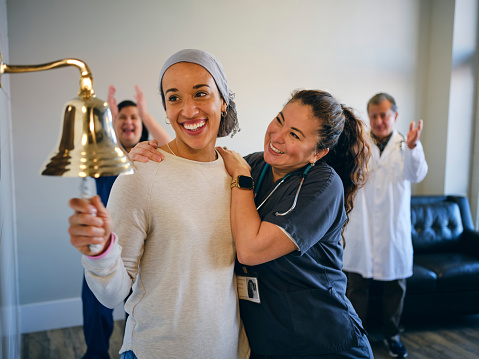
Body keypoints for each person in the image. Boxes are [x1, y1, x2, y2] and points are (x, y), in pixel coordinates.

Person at [132, 89, 374, 358]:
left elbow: (250, 250)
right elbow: (193, 167)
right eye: (280, 120)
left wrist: (241, 178)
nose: (277, 136)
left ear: (317, 152)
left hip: (322, 342)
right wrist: (153, 157)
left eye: (294, 134)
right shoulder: (253, 164)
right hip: (267, 343)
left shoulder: (323, 185)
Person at [68, 49, 249, 359]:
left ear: (223, 100)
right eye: (174, 98)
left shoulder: (239, 172)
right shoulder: (141, 172)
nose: (189, 110)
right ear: (165, 109)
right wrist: (99, 252)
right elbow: (113, 294)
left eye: (201, 93)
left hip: (230, 350)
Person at [81, 85, 171, 359]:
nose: (129, 121)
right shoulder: (105, 158)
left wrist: (145, 113)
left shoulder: (152, 156)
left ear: (141, 125)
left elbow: (171, 146)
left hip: (143, 249)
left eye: (134, 117)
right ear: (113, 124)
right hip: (106, 248)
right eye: (122, 117)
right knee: (97, 303)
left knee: (137, 310)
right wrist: (106, 116)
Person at [342, 93, 428, 358]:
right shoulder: (358, 144)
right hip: (361, 228)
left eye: (384, 115)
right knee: (356, 286)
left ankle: (393, 336)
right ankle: (357, 336)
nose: (379, 121)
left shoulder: (406, 145)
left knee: (395, 287)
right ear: (369, 117)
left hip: (393, 230)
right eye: (374, 116)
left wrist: (413, 148)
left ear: (395, 116)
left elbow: (417, 174)